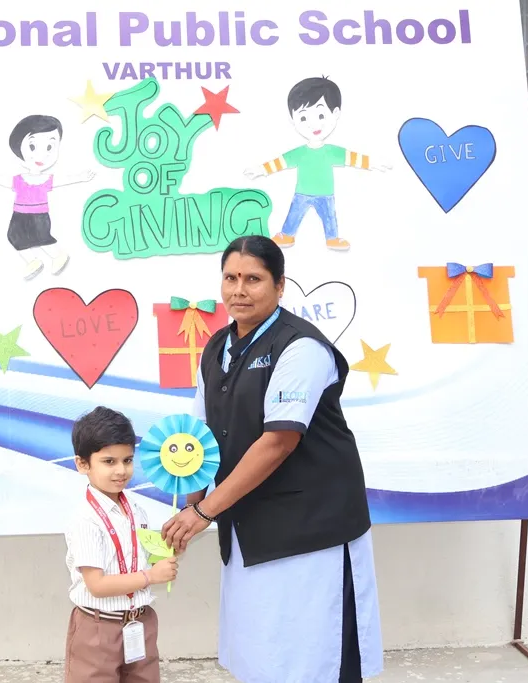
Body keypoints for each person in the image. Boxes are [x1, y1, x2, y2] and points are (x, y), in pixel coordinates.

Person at [160, 235, 383, 683]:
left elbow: (279, 441)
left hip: (310, 527)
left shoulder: (302, 347)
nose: (239, 290)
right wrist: (190, 505)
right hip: (248, 520)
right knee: (261, 651)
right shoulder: (216, 348)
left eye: (253, 279)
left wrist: (203, 512)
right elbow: (199, 437)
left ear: (280, 286)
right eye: (230, 278)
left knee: (312, 654)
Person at [63, 406, 179, 683]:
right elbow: (97, 585)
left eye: (127, 460)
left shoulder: (136, 510)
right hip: (98, 628)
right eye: (109, 461)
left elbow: (136, 559)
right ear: (82, 464)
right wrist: (151, 576)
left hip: (140, 621)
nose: (121, 470)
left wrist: (166, 553)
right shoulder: (86, 519)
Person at [243, 76, 390, 251]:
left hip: (325, 194)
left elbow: (352, 157)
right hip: (302, 193)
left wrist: (372, 162)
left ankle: (332, 238)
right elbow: (280, 162)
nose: (313, 124)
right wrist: (261, 169)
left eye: (321, 115)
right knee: (294, 214)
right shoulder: (300, 153)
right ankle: (287, 234)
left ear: (335, 114)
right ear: (292, 119)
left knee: (329, 217)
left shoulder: (331, 151)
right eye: (303, 118)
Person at [0, 114, 95, 280]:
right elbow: (1, 179)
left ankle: (58, 256)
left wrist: (80, 177)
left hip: (39, 215)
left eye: (50, 147)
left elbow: (64, 180)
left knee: (42, 238)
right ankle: (33, 261)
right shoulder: (19, 180)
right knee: (14, 237)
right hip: (19, 215)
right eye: (32, 146)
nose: (41, 155)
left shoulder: (46, 179)